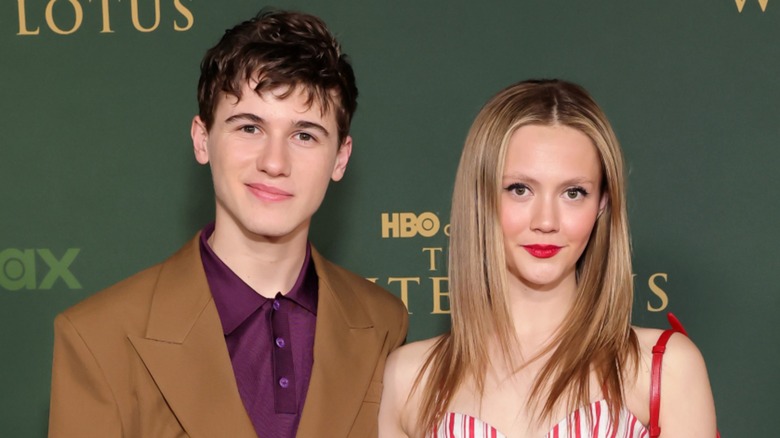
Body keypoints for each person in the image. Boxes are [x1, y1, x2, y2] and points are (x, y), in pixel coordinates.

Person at [48, 9, 408, 438]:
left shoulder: (384, 322)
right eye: (250, 128)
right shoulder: (98, 336)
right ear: (203, 140)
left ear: (341, 158)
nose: (274, 163)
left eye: (305, 135)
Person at [379, 79, 717, 437]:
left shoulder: (663, 369)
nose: (546, 222)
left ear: (602, 202)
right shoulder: (408, 378)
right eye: (519, 189)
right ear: (480, 198)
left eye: (573, 193)